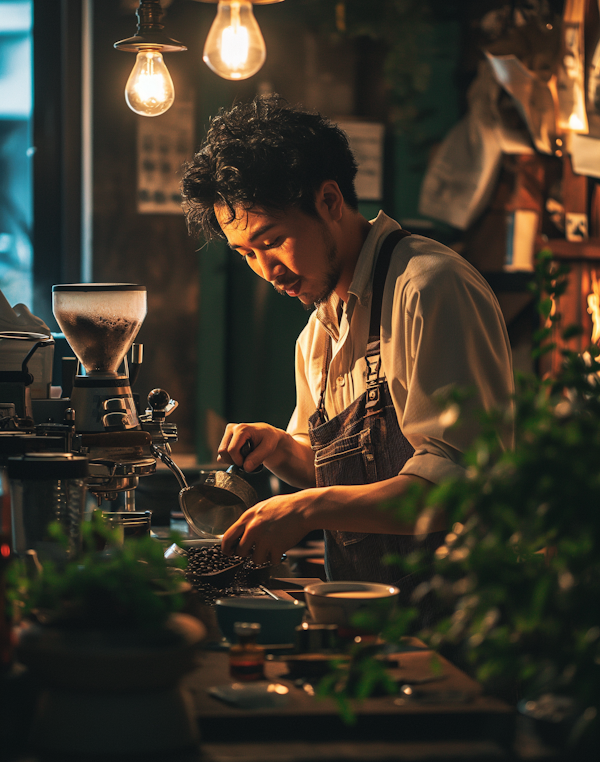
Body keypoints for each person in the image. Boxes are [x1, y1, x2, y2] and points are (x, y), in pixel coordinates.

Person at [181, 95, 514, 618]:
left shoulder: (427, 287)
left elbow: (457, 485)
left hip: (460, 622)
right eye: (246, 254)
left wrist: (308, 508)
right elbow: (333, 472)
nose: (266, 270)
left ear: (330, 201)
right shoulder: (318, 332)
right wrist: (279, 449)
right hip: (367, 617)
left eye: (273, 240)